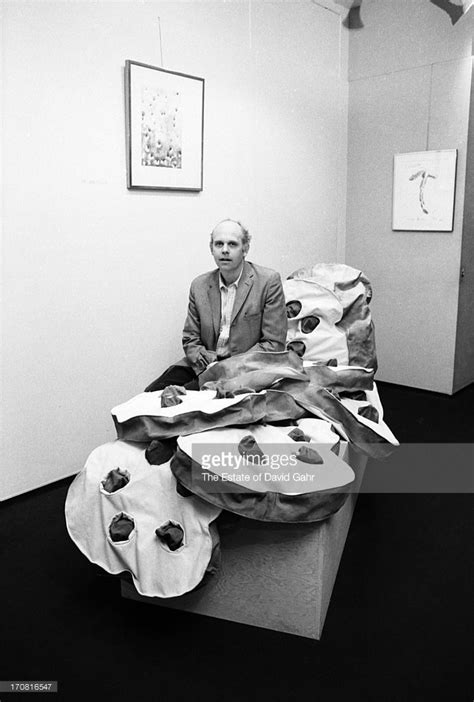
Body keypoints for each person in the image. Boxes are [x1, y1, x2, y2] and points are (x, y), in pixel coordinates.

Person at [145, 219, 288, 391]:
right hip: (203, 364)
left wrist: (226, 367)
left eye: (232, 244)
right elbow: (190, 339)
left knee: (183, 400)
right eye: (219, 244)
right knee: (152, 394)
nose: (225, 250)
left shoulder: (268, 282)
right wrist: (210, 364)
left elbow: (273, 345)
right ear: (211, 248)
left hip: (246, 370)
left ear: (245, 249)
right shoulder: (199, 286)